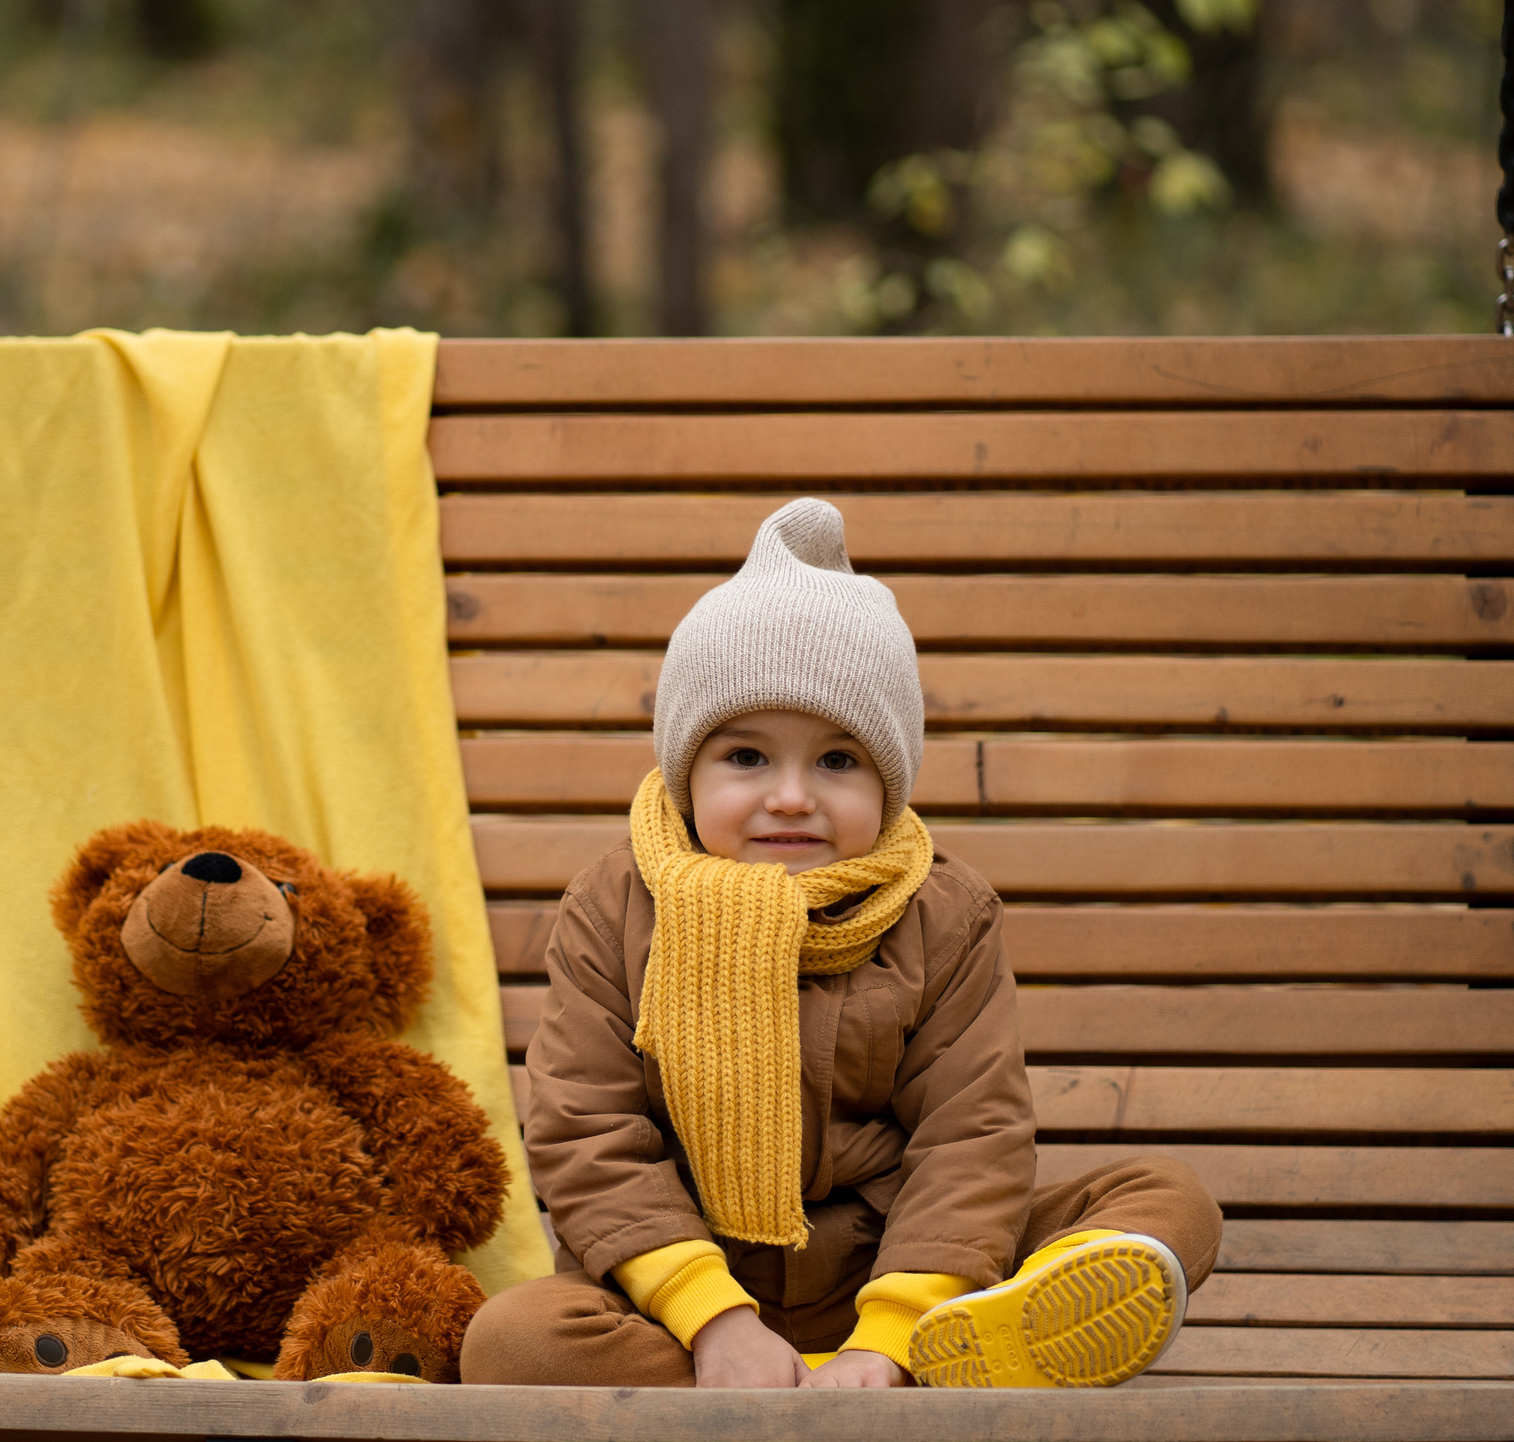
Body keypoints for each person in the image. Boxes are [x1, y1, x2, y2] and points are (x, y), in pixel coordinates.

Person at [460, 498, 1221, 1390]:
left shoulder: (944, 912)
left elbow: (971, 1131)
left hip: (899, 1259)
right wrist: (714, 1322)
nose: (790, 797)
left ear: (889, 781)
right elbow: (586, 1128)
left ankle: (937, 1346)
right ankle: (813, 1374)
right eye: (745, 757)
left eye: (837, 760)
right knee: (513, 1340)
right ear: (686, 770)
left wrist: (892, 1324)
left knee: (1168, 1200)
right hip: (691, 1283)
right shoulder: (615, 906)